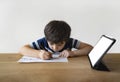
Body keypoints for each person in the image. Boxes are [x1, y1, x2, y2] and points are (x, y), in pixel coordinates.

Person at [19, 20, 93, 60]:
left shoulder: (70, 41)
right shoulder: (43, 41)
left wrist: (73, 53)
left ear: (66, 39)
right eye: (51, 44)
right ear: (47, 38)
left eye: (60, 44)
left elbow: (90, 48)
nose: (55, 48)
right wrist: (38, 54)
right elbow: (22, 49)